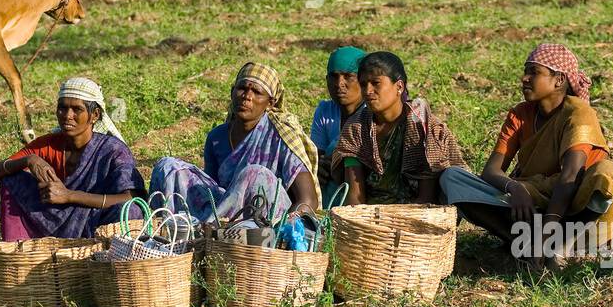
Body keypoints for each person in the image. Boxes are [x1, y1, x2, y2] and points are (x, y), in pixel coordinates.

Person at [439, 44, 613, 262]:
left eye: (534, 72)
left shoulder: (578, 113)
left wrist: (546, 233)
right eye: (526, 71)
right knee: (452, 177)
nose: (524, 78)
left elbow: (569, 177)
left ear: (559, 80)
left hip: (575, 213)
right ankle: (529, 248)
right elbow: (491, 170)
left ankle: (558, 246)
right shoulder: (520, 114)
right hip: (531, 203)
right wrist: (515, 188)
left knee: (605, 173)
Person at [0, 78, 144, 240]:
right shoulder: (47, 145)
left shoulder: (113, 150)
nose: (67, 115)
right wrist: (28, 160)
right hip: (52, 220)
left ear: (95, 115)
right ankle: (20, 252)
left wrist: (69, 196)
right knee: (11, 181)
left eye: (77, 109)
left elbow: (132, 198)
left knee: (129, 211)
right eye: (62, 108)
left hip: (95, 224)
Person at [149, 62, 319, 223]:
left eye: (257, 92)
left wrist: (280, 228)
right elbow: (212, 192)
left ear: (270, 102)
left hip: (265, 220)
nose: (247, 97)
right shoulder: (217, 137)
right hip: (224, 216)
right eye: (242, 89)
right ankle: (181, 231)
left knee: (254, 174)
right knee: (168, 166)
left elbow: (308, 200)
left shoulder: (282, 137)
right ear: (232, 92)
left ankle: (214, 232)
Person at [332, 51, 465, 206]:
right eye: (363, 84)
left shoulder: (423, 126)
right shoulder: (356, 128)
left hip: (419, 213)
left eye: (376, 83)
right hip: (371, 216)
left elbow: (426, 198)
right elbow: (355, 196)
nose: (368, 91)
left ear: (399, 86)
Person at [310, 46, 366, 208]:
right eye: (334, 76)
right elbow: (316, 156)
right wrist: (318, 167)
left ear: (363, 79)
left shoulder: (370, 112)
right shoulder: (325, 110)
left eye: (348, 76)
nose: (339, 83)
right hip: (332, 182)